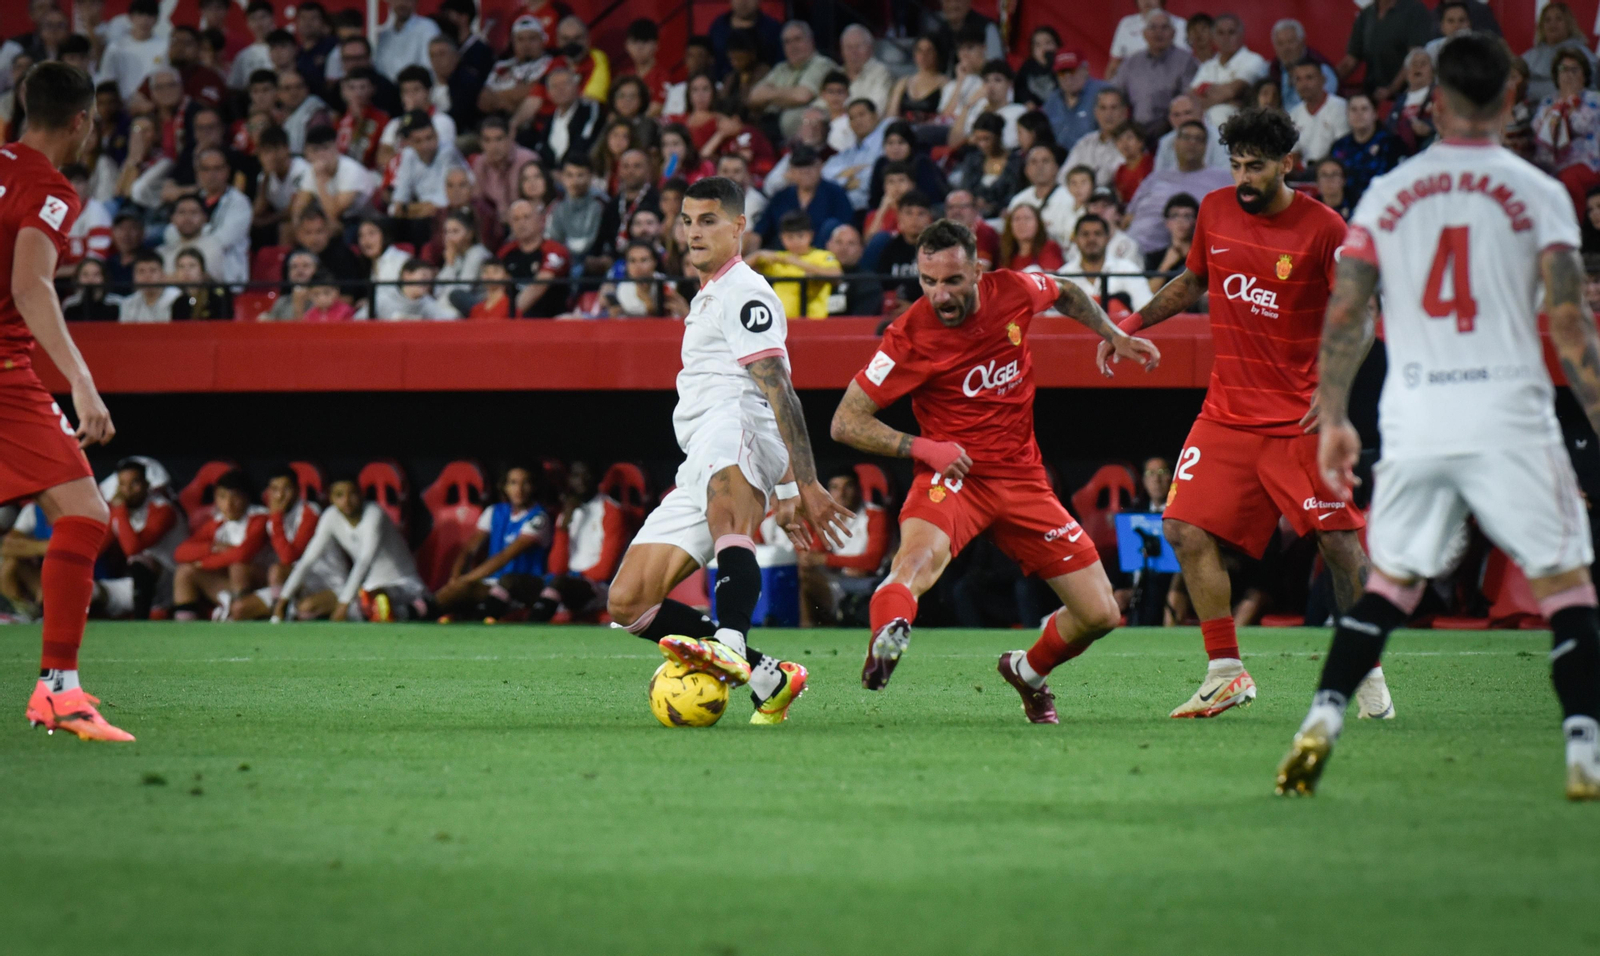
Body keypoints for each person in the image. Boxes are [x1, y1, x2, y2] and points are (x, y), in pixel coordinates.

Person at [1277, 33, 1600, 801]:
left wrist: (1333, 414)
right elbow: (1568, 321)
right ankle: (1585, 749)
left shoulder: (1388, 194)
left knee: (1388, 584)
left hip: (1418, 414)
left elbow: (1348, 313)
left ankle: (1321, 719)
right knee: (1568, 587)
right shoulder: (1539, 192)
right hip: (1509, 414)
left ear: (1436, 104)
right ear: (1511, 100)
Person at [1108, 105, 1384, 720]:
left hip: (1298, 419)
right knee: (1181, 528)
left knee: (1340, 546)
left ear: (1288, 165)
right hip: (1227, 412)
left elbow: (1364, 314)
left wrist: (1334, 386)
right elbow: (1191, 281)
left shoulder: (1325, 228)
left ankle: (1365, 670)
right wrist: (1127, 324)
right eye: (1235, 165)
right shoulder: (1215, 210)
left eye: (1255, 167)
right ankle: (1225, 671)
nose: (1243, 178)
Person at [828, 219, 1158, 718]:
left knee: (1100, 612)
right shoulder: (908, 336)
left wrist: (1113, 333)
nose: (940, 295)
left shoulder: (1015, 289)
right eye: (928, 281)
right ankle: (886, 638)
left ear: (978, 271)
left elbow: (1065, 291)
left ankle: (1028, 670)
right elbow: (845, 422)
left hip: (1023, 479)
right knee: (916, 564)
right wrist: (923, 448)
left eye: (953, 281)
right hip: (953, 478)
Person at [604, 176, 852, 726]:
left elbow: (777, 386)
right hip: (700, 450)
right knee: (627, 601)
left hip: (734, 424)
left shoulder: (744, 289)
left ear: (739, 227)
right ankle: (769, 676)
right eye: (687, 220)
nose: (694, 232)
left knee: (726, 512)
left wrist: (803, 483)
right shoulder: (709, 293)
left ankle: (731, 641)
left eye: (709, 220)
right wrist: (787, 486)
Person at [3, 67, 120, 738]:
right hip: (4, 370)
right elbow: (30, 286)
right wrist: (80, 377)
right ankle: (59, 689)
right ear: (80, 121)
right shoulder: (49, 188)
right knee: (83, 514)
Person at [273, 478, 430, 623]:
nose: (346, 501)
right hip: (366, 591)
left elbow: (364, 561)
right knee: (309, 608)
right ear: (331, 498)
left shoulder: (374, 514)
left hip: (403, 585)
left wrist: (343, 605)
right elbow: (307, 560)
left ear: (361, 495)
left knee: (374, 599)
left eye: (352, 494)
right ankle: (393, 611)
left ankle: (420, 607)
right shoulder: (330, 516)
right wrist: (282, 601)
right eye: (339, 495)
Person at [435, 466, 552, 620]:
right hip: (492, 582)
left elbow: (505, 556)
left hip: (521, 586)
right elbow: (469, 549)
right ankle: (420, 611)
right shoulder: (494, 511)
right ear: (505, 487)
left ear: (534, 486)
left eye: (525, 483)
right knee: (453, 593)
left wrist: (467, 580)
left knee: (467, 590)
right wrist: (455, 577)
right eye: (513, 483)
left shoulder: (539, 518)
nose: (519, 489)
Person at [171, 469, 270, 622]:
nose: (228, 504)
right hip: (230, 586)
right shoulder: (219, 522)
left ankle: (242, 617)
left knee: (238, 567)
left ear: (246, 497)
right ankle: (185, 628)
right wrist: (212, 548)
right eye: (222, 497)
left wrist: (204, 562)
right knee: (185, 571)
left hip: (262, 585)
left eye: (235, 497)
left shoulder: (260, 517)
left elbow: (242, 554)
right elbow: (180, 552)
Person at [797, 467, 888, 626]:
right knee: (804, 572)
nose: (842, 493)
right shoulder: (827, 517)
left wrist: (827, 560)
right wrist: (825, 561)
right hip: (838, 580)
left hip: (868, 584)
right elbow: (815, 554)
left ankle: (827, 624)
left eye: (848, 487)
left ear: (859, 489)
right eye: (835, 488)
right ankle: (807, 627)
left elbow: (872, 562)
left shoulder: (876, 515)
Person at [1126, 121, 1232, 255]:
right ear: (1175, 143)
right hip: (1136, 250)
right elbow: (1128, 217)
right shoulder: (1155, 178)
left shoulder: (1223, 179)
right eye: (1186, 137)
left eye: (1198, 139)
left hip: (1192, 255)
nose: (1192, 143)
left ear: (1206, 146)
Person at [106, 457, 186, 620]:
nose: (127, 490)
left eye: (134, 483)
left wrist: (120, 510)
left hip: (173, 581)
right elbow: (97, 547)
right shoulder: (119, 511)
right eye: (122, 484)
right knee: (90, 590)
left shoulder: (162, 509)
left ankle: (139, 621)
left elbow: (133, 548)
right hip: (140, 585)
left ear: (147, 485)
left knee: (140, 562)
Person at [1115, 10, 1197, 133]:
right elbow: (1115, 94)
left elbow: (1189, 102)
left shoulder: (1186, 61)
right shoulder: (1131, 63)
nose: (1158, 32)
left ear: (1173, 33)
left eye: (1164, 27)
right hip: (1136, 131)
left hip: (1172, 130)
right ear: (1144, 34)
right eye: (1152, 27)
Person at [1337, 0, 1437, 101]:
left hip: (1405, 98)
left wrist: (1391, 89)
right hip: (1372, 96)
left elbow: (1414, 57)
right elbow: (1351, 60)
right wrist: (1330, 80)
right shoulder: (1366, 14)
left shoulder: (1414, 10)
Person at [749, 210, 839, 320]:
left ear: (810, 235)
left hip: (815, 322)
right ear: (782, 238)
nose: (796, 241)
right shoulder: (777, 258)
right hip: (782, 323)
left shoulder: (822, 256)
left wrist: (795, 262)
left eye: (800, 236)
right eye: (790, 237)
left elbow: (837, 275)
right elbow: (738, 270)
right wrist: (757, 255)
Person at [758, 144, 852, 249]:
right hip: (784, 258)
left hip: (823, 258)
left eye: (810, 166)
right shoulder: (780, 197)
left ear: (820, 166)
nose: (806, 172)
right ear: (791, 172)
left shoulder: (835, 194)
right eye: (800, 168)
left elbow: (847, 229)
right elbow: (759, 231)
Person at [1190, 14, 1269, 130]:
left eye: (1231, 32)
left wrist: (1207, 92)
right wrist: (1230, 100)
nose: (1226, 37)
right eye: (1220, 33)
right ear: (1213, 37)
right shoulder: (1208, 66)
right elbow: (1190, 97)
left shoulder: (1254, 60)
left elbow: (1231, 91)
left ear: (1241, 35)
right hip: (1205, 128)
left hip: (1240, 128)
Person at [1327, 92, 1403, 208]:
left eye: (1364, 109)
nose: (1359, 114)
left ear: (1375, 114)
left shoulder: (1391, 143)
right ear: (1347, 115)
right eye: (1353, 110)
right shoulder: (1339, 146)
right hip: (1345, 209)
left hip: (1382, 205)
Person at [1064, 213, 1152, 310]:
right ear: (1075, 239)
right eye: (1085, 234)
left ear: (1108, 238)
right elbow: (1053, 316)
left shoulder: (1128, 270)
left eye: (1097, 233)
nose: (1091, 239)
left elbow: (1145, 309)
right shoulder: (1064, 275)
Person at [1007, 146, 1079, 248]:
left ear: (1056, 168)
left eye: (1045, 161)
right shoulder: (1018, 200)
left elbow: (1071, 237)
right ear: (1026, 170)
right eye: (1033, 162)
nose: (1039, 166)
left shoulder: (1069, 198)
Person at [1524, 2, 1595, 106]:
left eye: (1558, 19)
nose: (1553, 24)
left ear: (1568, 23)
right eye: (1547, 20)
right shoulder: (1531, 55)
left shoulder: (1581, 53)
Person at [874, 190, 933, 313]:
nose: (914, 219)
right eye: (909, 213)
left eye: (921, 214)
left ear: (929, 218)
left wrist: (914, 308)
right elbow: (881, 287)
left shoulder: (939, 251)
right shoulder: (888, 249)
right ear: (899, 217)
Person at [1064, 87, 1132, 188]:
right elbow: (1063, 176)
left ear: (1125, 112)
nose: (1108, 114)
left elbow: (1104, 180)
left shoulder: (1131, 145)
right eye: (1103, 108)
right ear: (1096, 113)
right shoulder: (1086, 142)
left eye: (1113, 108)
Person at [1288, 59, 1349, 170]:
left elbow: (1342, 150)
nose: (1304, 84)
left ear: (1323, 80)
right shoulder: (1294, 113)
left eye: (1309, 78)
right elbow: (1294, 152)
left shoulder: (1340, 107)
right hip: (1303, 173)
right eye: (1298, 79)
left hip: (1332, 170)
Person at [1268, 18, 1338, 113]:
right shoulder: (1274, 69)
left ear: (1302, 42)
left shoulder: (1321, 69)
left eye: (1290, 42)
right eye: (1280, 43)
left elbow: (1323, 106)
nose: (1286, 48)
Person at [1106, 0, 1188, 80]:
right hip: (1132, 85)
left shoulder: (1180, 25)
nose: (1146, 1)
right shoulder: (1126, 24)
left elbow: (1184, 64)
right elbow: (1114, 65)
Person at [1155, 93, 1228, 172]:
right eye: (1176, 115)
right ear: (1170, 119)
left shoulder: (1219, 138)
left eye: (1187, 113)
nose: (1182, 119)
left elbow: (1224, 175)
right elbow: (1158, 176)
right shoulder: (1166, 141)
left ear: (1201, 113)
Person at [1143, 191, 1197, 292]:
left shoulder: (1203, 256)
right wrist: (1165, 265)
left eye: (1187, 216)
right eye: (1175, 216)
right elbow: (1147, 294)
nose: (1180, 221)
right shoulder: (1154, 258)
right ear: (1167, 222)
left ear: (1195, 221)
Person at [824, 224, 882, 316]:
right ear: (828, 245)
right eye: (839, 242)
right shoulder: (814, 276)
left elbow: (863, 319)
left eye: (851, 243)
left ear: (861, 250)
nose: (844, 248)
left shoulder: (868, 281)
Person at [169, 248, 232, 320]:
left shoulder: (217, 296)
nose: (186, 270)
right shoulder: (179, 303)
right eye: (181, 266)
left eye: (192, 265)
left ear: (202, 270)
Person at [1000, 203, 1063, 272]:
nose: (1022, 223)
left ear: (1038, 224)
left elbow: (1050, 277)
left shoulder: (1049, 247)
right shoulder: (1006, 254)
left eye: (1027, 218)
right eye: (1017, 219)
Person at [119, 251, 178, 322]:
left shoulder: (176, 299)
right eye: (141, 271)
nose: (147, 276)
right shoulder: (128, 303)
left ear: (163, 274)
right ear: (134, 276)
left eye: (152, 271)